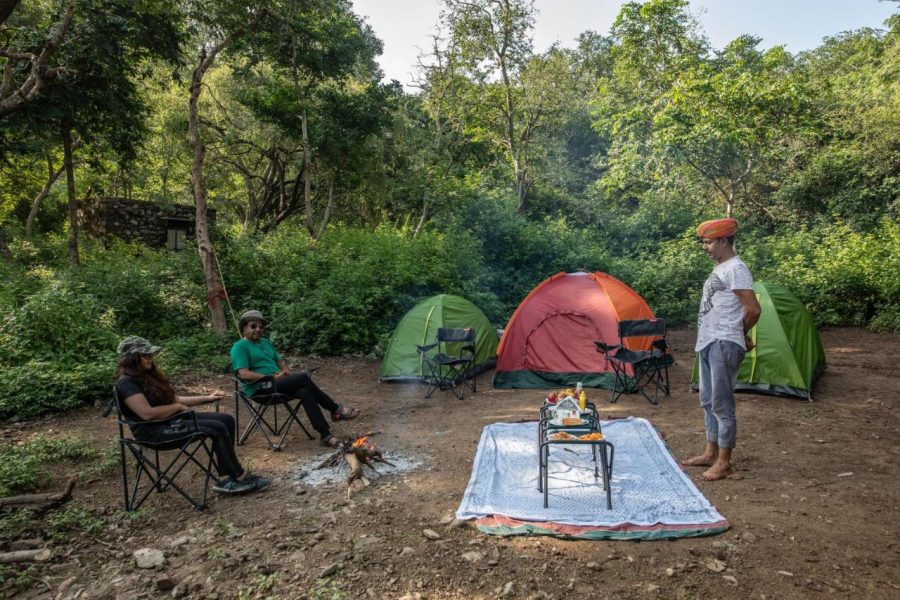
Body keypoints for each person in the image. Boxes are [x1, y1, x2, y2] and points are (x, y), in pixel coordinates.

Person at [114, 336, 269, 494]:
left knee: (226, 419)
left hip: (171, 421)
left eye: (151, 355)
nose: (150, 359)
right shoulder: (126, 383)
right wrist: (177, 407)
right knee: (216, 427)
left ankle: (228, 477)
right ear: (132, 359)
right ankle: (239, 477)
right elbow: (147, 414)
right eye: (146, 356)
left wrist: (207, 398)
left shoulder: (148, 377)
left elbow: (176, 399)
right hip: (154, 432)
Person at [683, 218, 761, 481]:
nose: (705, 247)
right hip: (708, 340)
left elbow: (753, 309)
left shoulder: (736, 269)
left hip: (723, 342)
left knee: (721, 404)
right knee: (707, 400)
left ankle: (724, 462)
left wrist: (739, 333)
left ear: (724, 241)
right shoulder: (721, 268)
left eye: (708, 242)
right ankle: (710, 452)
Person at [229, 310, 360, 448]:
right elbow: (244, 374)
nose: (258, 329)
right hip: (260, 388)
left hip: (278, 384)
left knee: (304, 391)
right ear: (244, 327)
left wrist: (286, 373)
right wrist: (271, 376)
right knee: (303, 377)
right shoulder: (239, 347)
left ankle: (325, 435)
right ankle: (335, 409)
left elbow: (279, 362)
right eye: (253, 326)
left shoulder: (266, 342)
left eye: (261, 327)